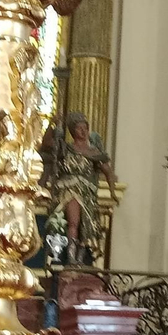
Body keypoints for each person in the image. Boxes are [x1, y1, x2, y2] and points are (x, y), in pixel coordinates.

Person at [40, 111, 116, 265]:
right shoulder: (65, 148)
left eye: (85, 128)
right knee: (73, 222)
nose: (83, 131)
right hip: (71, 189)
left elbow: (108, 171)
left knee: (86, 227)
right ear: (72, 131)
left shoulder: (94, 152)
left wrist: (112, 191)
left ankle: (80, 260)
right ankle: (71, 258)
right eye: (79, 128)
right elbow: (47, 144)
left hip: (88, 194)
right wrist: (52, 124)